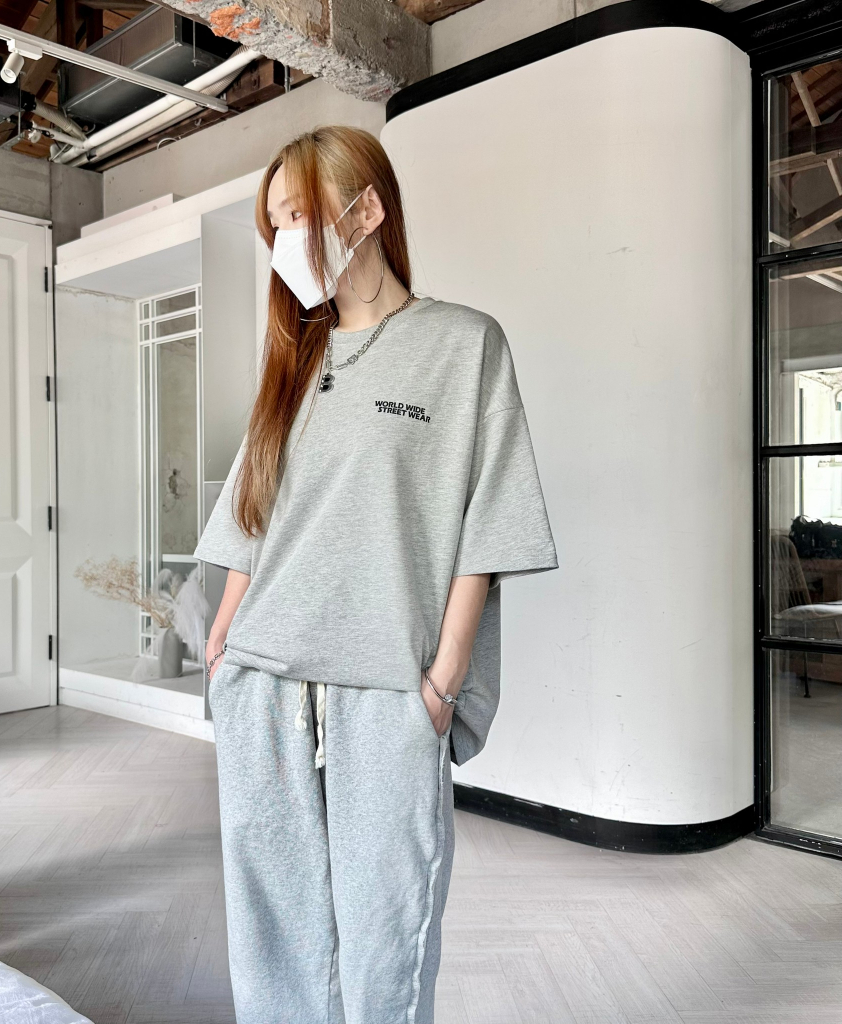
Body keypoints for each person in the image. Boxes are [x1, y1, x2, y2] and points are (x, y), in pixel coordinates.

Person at [194, 125, 558, 1024]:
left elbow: (489, 522)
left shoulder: (464, 344)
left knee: (386, 938)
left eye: (297, 215)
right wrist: (223, 645)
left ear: (366, 210)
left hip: (387, 692)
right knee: (273, 940)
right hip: (264, 684)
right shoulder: (294, 361)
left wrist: (443, 680)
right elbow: (253, 514)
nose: (284, 240)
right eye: (274, 224)